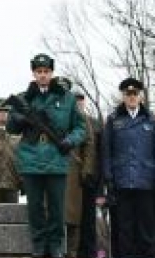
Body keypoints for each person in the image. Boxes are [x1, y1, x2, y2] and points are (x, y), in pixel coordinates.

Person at [6, 55, 80, 258]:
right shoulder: (24, 97)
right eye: (39, 72)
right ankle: (38, 244)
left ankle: (56, 244)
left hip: (56, 159)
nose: (43, 75)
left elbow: (80, 127)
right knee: (35, 207)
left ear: (51, 73)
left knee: (57, 207)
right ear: (34, 73)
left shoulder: (67, 97)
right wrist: (18, 119)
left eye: (46, 71)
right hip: (31, 159)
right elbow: (11, 128)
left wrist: (70, 141)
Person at [100, 78, 155, 258]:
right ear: (123, 96)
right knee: (124, 229)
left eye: (135, 94)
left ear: (140, 96)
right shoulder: (113, 120)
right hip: (122, 183)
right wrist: (109, 179)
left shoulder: (151, 120)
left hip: (146, 183)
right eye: (128, 94)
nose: (131, 97)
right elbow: (106, 152)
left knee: (147, 229)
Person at [66, 89, 100, 258]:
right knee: (71, 220)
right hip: (71, 181)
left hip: (90, 179)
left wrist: (95, 179)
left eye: (81, 99)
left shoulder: (95, 124)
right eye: (75, 99)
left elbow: (99, 153)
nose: (78, 102)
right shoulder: (65, 122)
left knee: (88, 223)